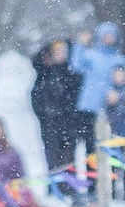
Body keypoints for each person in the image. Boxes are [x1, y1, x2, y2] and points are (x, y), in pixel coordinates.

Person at [29, 38, 84, 186]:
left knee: (68, 157)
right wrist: (45, 114)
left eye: (63, 51)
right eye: (57, 51)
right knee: (52, 156)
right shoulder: (45, 73)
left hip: (69, 123)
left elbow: (77, 97)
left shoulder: (72, 72)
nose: (61, 54)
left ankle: (70, 185)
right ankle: (54, 187)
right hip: (50, 124)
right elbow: (36, 97)